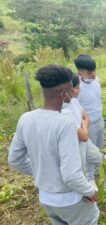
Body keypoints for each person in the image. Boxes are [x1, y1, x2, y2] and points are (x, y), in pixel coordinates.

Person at [8, 65, 99, 225]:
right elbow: (71, 176)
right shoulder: (65, 124)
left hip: (46, 198)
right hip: (71, 200)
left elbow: (15, 159)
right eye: (71, 90)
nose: (73, 94)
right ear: (64, 94)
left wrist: (44, 172)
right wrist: (90, 191)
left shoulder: (26, 118)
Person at [62, 74, 106, 191]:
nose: (79, 90)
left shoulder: (74, 101)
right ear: (66, 91)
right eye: (76, 88)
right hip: (74, 147)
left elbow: (86, 118)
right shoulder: (64, 110)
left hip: (84, 144)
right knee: (82, 171)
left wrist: (83, 125)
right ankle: (89, 193)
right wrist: (84, 125)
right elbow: (84, 136)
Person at [74, 54, 104, 149]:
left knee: (100, 147)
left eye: (95, 70)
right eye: (90, 72)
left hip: (100, 119)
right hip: (88, 125)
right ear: (80, 73)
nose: (94, 74)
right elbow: (75, 109)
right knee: (91, 151)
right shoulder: (77, 88)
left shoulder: (96, 80)